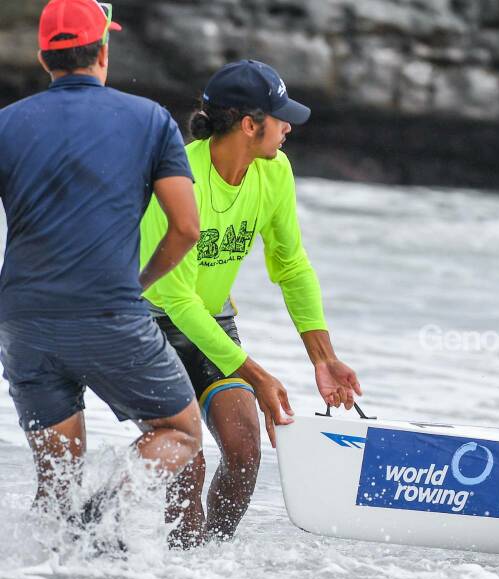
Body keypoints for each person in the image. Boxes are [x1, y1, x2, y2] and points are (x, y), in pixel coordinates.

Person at [139, 60, 362, 546]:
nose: (288, 127)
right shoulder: (178, 173)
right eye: (280, 117)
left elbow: (291, 265)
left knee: (244, 454)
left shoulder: (274, 171)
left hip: (212, 320)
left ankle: (211, 568)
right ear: (248, 124)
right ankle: (174, 577)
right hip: (148, 326)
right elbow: (175, 297)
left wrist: (323, 358)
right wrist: (258, 376)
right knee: (187, 460)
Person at [0, 0, 202, 524]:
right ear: (104, 51)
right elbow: (186, 227)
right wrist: (140, 283)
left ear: (45, 58)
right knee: (180, 430)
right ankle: (104, 514)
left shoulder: (7, 124)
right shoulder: (150, 120)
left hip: (25, 320)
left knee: (56, 479)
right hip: (109, 312)